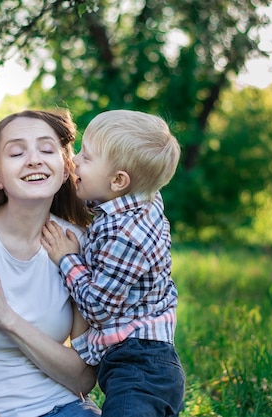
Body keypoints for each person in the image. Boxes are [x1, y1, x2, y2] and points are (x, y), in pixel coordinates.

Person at [0, 109, 102, 417]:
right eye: (16, 152)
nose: (34, 159)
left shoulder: (80, 245)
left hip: (62, 408)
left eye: (47, 149)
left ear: (65, 169)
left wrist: (6, 317)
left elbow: (83, 377)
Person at [41, 109, 186, 416]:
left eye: (87, 157)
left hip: (139, 366)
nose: (75, 160)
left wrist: (67, 259)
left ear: (119, 180)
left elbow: (97, 305)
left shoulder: (126, 235)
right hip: (140, 360)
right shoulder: (137, 199)